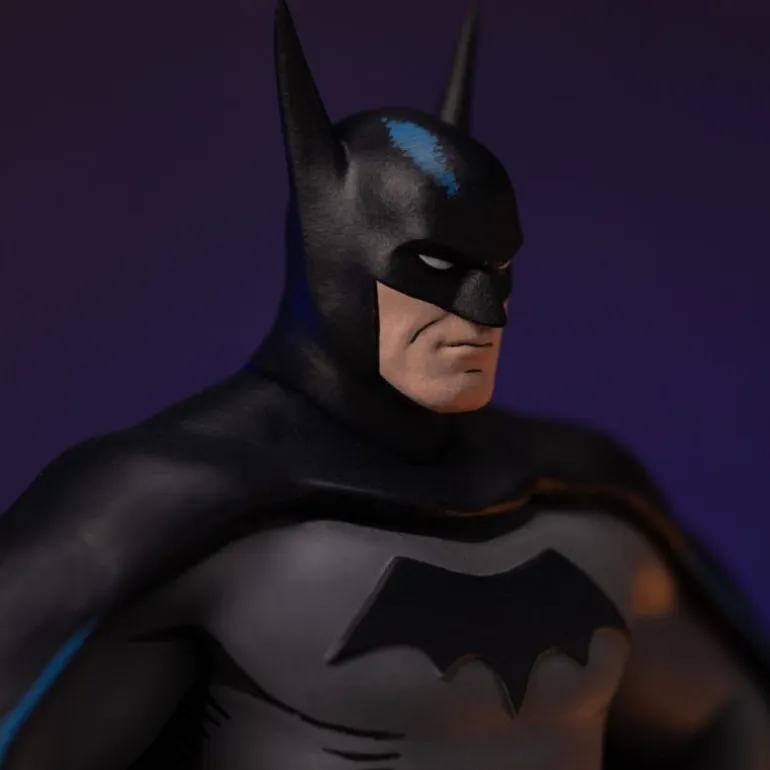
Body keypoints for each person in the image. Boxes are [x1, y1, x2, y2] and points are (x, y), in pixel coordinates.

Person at [1, 3, 769, 768]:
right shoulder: (162, 504)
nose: (487, 313)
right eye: (436, 267)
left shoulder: (583, 497)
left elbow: (735, 718)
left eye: (498, 269)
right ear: (331, 250)